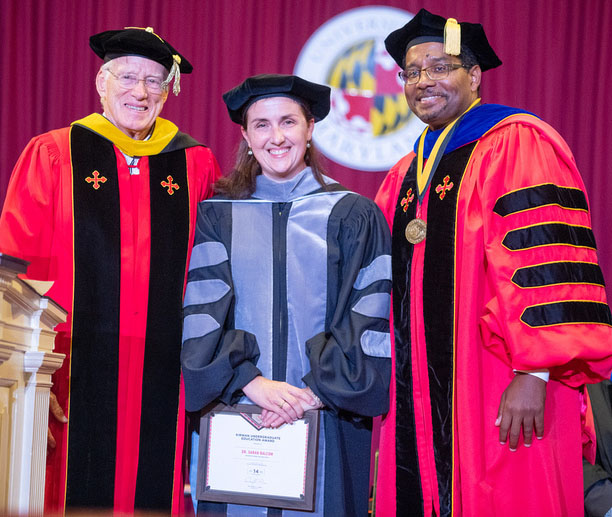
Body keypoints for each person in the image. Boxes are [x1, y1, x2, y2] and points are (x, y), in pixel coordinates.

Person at [373, 8, 612, 517]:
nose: (423, 81)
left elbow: (546, 261)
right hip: (419, 391)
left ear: (475, 76)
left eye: (439, 67)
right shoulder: (403, 174)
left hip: (500, 381)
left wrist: (536, 373)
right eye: (412, 72)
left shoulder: (515, 141)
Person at [0, 27, 220, 514]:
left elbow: (215, 274)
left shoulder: (194, 163)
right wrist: (24, 371)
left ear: (168, 91)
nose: (140, 92)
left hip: (165, 371)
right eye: (127, 77)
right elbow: (13, 272)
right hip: (66, 371)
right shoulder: (54, 153)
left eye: (154, 82)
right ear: (101, 83)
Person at [181, 74, 392, 516]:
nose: (276, 137)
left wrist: (309, 394)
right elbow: (201, 314)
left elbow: (369, 316)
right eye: (261, 125)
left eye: (288, 122)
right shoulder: (217, 215)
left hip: (326, 412)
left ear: (310, 127)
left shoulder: (352, 213)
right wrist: (251, 383)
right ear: (245, 134)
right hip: (239, 412)